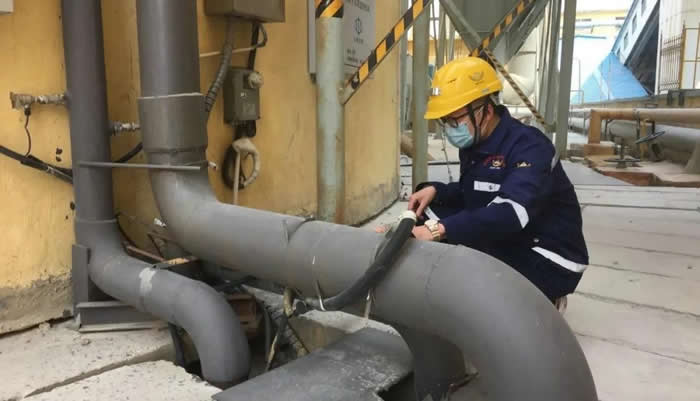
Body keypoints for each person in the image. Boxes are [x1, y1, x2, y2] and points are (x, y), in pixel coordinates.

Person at [399, 57, 588, 308]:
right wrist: (436, 190)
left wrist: (438, 230)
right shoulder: (476, 143)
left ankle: (545, 300)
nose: (450, 128)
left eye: (454, 120)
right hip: (514, 235)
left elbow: (511, 212)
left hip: (547, 255)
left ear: (486, 112)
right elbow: (475, 191)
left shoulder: (530, 146)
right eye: (445, 121)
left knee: (460, 260)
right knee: (429, 211)